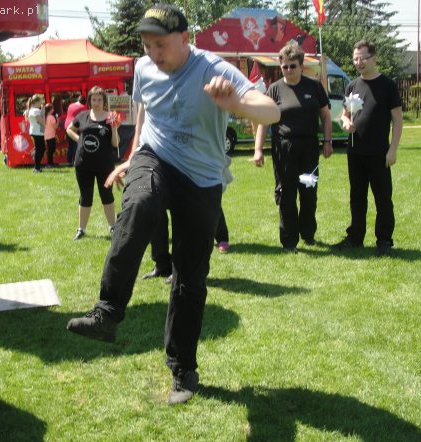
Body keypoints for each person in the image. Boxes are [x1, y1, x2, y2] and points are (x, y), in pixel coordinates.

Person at [66, 4, 279, 405]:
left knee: (189, 276)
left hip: (201, 178)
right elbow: (145, 114)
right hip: (156, 157)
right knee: (139, 204)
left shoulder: (211, 68)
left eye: (161, 45)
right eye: (147, 45)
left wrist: (236, 104)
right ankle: (107, 311)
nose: (153, 54)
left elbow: (272, 109)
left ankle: (183, 369)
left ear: (185, 38)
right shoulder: (144, 68)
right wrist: (131, 157)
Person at [254, 42, 333, 253]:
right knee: (286, 194)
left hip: (309, 148)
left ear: (301, 66)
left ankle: (308, 233)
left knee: (308, 192)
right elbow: (264, 121)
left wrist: (327, 142)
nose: (288, 70)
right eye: (285, 66)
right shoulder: (274, 89)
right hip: (284, 148)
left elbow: (325, 116)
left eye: (292, 66)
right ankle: (289, 240)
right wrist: (258, 149)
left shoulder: (314, 87)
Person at [332, 40, 403, 256]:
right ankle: (355, 238)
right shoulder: (352, 85)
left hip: (379, 153)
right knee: (357, 198)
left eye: (363, 58)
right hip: (355, 153)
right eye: (355, 59)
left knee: (383, 198)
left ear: (374, 58)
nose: (358, 62)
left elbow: (398, 120)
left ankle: (384, 241)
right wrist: (345, 123)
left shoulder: (388, 85)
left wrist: (393, 150)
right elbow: (344, 115)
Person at [66, 85, 119, 240]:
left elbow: (115, 143)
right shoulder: (83, 116)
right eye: (93, 99)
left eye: (99, 99)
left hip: (104, 165)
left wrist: (114, 129)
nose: (96, 102)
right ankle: (81, 229)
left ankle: (113, 227)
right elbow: (69, 129)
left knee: (106, 195)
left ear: (104, 101)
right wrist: (79, 140)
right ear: (89, 100)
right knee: (85, 196)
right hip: (83, 164)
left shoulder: (111, 117)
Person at [64, 94, 88, 165]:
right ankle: (75, 161)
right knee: (76, 145)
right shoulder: (83, 107)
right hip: (75, 126)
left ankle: (69, 161)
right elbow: (84, 118)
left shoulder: (71, 105)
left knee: (70, 145)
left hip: (67, 125)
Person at [26, 94, 46, 172]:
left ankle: (37, 166)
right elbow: (41, 122)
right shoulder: (36, 111)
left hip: (35, 131)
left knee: (40, 149)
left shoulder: (31, 110)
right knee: (40, 149)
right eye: (40, 102)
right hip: (37, 132)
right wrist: (43, 113)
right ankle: (37, 167)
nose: (41, 103)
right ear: (36, 102)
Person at [44, 103, 59, 167]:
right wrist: (58, 119)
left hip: (46, 135)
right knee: (51, 149)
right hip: (51, 135)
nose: (53, 109)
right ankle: (49, 163)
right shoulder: (51, 117)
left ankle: (50, 163)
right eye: (52, 108)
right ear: (51, 109)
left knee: (50, 149)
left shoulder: (45, 116)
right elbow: (55, 126)